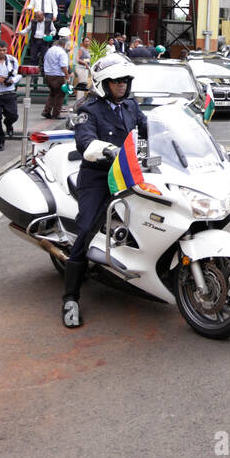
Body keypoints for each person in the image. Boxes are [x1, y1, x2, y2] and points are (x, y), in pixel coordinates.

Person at [61, 54, 149, 328]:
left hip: (129, 173)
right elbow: (84, 139)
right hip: (98, 175)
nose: (121, 85)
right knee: (87, 227)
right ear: (103, 84)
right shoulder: (90, 110)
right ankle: (70, 298)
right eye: (115, 81)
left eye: (125, 80)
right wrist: (105, 149)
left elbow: (150, 130)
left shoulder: (131, 106)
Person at [41, 29, 73, 120]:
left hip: (48, 75)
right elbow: (63, 66)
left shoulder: (51, 49)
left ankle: (46, 111)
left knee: (52, 93)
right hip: (57, 76)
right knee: (60, 95)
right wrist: (67, 76)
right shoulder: (62, 53)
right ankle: (56, 114)